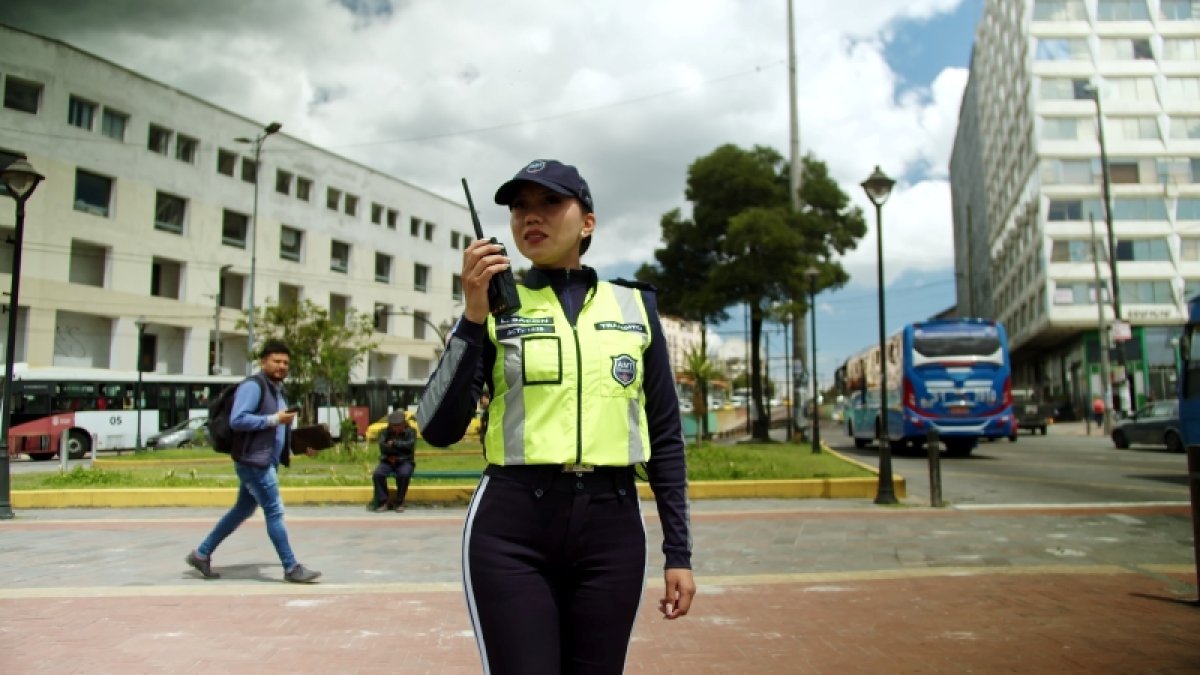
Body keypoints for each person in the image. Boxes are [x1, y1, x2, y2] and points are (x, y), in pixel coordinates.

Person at [418, 159, 696, 674]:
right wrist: (473, 316)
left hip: (611, 530)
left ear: (587, 222)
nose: (531, 216)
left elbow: (665, 438)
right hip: (512, 529)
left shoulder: (635, 307)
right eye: (519, 207)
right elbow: (438, 429)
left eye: (549, 202)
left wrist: (678, 552)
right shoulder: (497, 307)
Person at [185, 339, 321, 584]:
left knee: (242, 510)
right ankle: (291, 567)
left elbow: (278, 430)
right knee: (274, 510)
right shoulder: (253, 386)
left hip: (264, 459)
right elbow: (238, 420)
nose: (281, 366)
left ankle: (201, 554)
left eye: (285, 363)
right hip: (254, 462)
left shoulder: (277, 390)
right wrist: (274, 419)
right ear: (263, 362)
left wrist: (301, 446)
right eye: (276, 361)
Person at [373, 411, 416, 512]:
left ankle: (400, 502)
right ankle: (384, 501)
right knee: (378, 474)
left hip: (405, 460)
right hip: (388, 460)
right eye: (393, 425)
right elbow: (383, 447)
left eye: (398, 425)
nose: (396, 428)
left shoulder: (411, 432)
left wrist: (394, 443)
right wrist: (399, 448)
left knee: (404, 474)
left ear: (404, 424)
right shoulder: (384, 432)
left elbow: (409, 446)